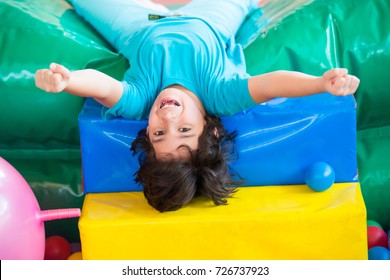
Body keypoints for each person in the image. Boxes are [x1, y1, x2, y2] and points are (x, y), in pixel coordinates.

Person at [35, 0, 360, 212]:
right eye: (185, 130)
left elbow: (103, 87)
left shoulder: (139, 100)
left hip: (141, 26)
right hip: (210, 20)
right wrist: (320, 83)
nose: (168, 116)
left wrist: (68, 81)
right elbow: (270, 84)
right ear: (212, 126)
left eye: (160, 133)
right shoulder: (220, 95)